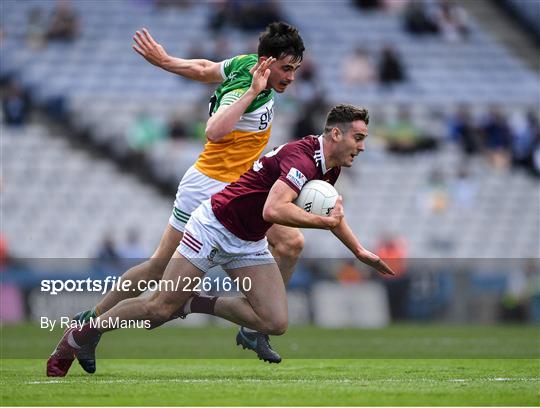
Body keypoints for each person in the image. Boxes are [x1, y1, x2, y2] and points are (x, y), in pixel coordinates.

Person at [47, 104, 395, 377]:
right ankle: (81, 334)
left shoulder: (329, 164)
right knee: (156, 311)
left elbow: (332, 211)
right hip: (213, 227)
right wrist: (321, 221)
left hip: (247, 241)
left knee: (275, 322)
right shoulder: (302, 160)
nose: (363, 146)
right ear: (336, 134)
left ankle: (193, 303)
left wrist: (360, 251)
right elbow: (275, 210)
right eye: (359, 138)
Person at [62, 22, 306, 372]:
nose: (292, 77)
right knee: (160, 270)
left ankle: (91, 326)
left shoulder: (244, 63)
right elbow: (214, 130)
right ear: (266, 63)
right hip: (212, 187)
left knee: (289, 243)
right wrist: (252, 93)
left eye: (295, 69)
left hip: (233, 186)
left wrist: (165, 61)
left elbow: (205, 69)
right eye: (286, 68)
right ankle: (92, 325)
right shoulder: (251, 88)